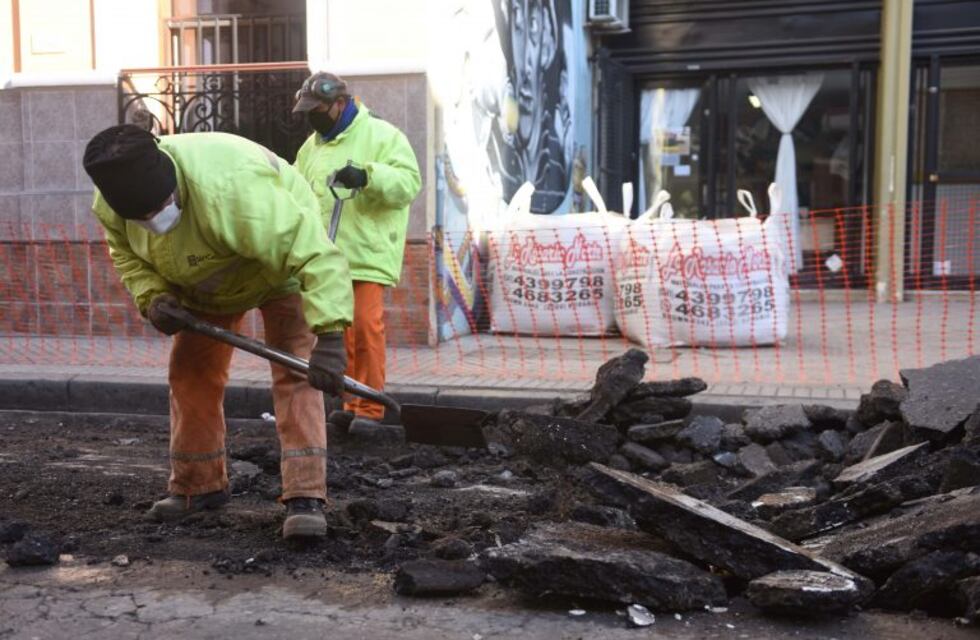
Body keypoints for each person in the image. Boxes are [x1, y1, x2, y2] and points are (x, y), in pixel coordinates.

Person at [82, 125, 353, 541]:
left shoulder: (234, 189)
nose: (154, 222)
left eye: (159, 208)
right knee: (190, 373)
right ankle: (198, 485)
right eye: (142, 218)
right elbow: (126, 256)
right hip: (202, 285)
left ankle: (305, 496)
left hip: (280, 271)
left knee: (297, 371)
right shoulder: (112, 202)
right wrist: (153, 296)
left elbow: (315, 255)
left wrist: (331, 335)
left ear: (172, 183)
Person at [292, 72, 421, 431]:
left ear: (340, 103)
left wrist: (367, 176)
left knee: (364, 329)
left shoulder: (382, 135)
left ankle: (369, 408)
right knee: (339, 333)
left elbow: (408, 183)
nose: (312, 117)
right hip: (327, 256)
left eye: (317, 110)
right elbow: (297, 189)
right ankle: (350, 402)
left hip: (365, 252)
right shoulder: (311, 148)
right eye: (308, 111)